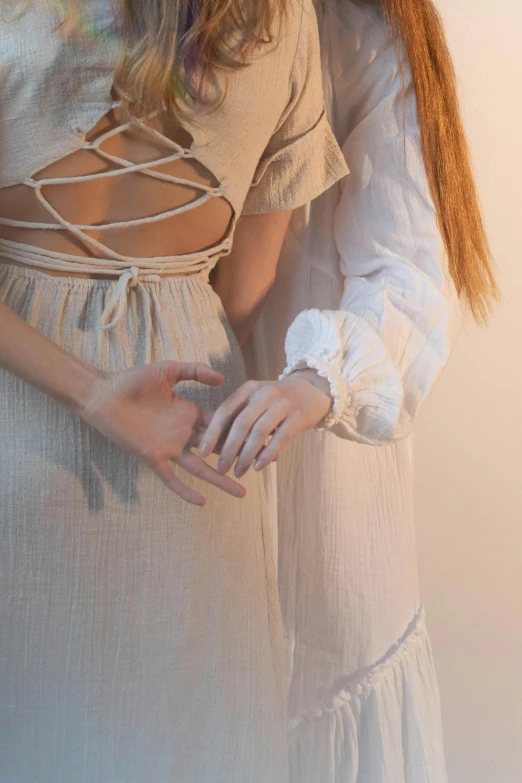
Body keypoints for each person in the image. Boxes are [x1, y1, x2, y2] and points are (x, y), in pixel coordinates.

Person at [0, 0, 348, 780]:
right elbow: (247, 287)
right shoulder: (284, 20)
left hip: (16, 435)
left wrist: (94, 390)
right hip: (191, 444)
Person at [210, 0, 499, 780]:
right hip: (174, 458)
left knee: (306, 681)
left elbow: (405, 276)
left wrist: (317, 379)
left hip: (315, 490)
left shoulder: (356, 40)